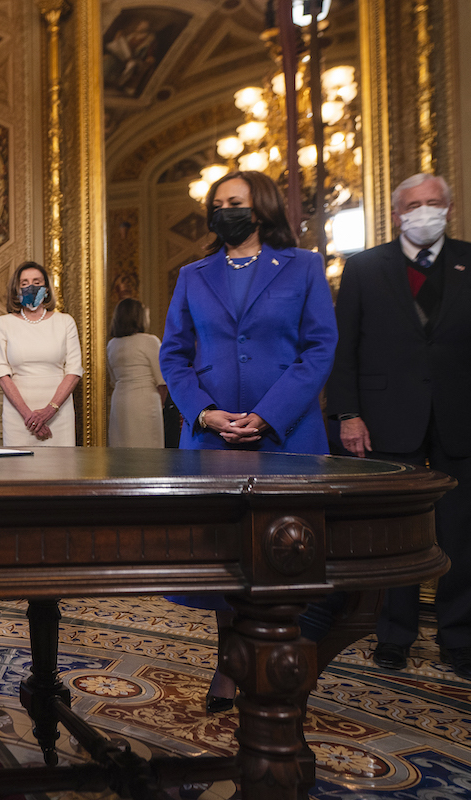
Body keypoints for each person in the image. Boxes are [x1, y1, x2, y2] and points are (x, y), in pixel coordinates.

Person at [159, 170, 338, 711]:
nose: (223, 212)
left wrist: (266, 415)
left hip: (288, 437)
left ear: (258, 207)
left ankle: (286, 661)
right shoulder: (193, 274)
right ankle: (228, 665)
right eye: (216, 204)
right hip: (213, 441)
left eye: (232, 202)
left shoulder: (303, 266)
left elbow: (319, 348)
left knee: (286, 553)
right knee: (226, 561)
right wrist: (205, 413)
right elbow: (174, 355)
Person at [327, 173, 471, 680]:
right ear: (396, 214)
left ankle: (459, 637)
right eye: (414, 204)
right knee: (397, 533)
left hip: (459, 416)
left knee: (460, 532)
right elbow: (345, 348)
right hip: (387, 417)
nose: (424, 211)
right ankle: (393, 635)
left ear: (449, 209)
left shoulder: (468, 260)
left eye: (434, 203)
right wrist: (347, 413)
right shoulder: (365, 267)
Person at [0, 262, 82, 447]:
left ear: (46, 289)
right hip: (18, 416)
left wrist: (50, 410)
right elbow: (1, 373)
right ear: (16, 290)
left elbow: (74, 371)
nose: (30, 287)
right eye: (24, 283)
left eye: (36, 282)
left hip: (58, 413)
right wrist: (29, 417)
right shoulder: (4, 323)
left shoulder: (65, 322)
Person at [107, 298, 167, 448]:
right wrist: (161, 406)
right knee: (148, 451)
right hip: (145, 402)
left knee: (122, 450)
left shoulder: (112, 344)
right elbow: (162, 381)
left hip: (119, 401)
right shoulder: (150, 341)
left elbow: (113, 380)